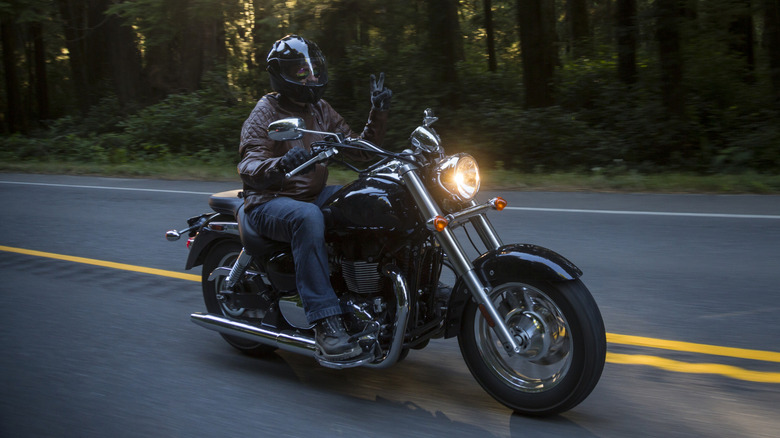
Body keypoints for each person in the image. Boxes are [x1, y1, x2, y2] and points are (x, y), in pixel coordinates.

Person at [237, 35, 392, 361]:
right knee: (308, 218)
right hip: (267, 200)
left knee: (371, 201)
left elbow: (358, 149)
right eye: (301, 72)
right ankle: (325, 325)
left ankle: (382, 293)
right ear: (282, 74)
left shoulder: (320, 109)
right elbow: (249, 164)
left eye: (313, 70)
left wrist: (377, 113)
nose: (310, 78)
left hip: (312, 194)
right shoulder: (266, 111)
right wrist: (279, 164)